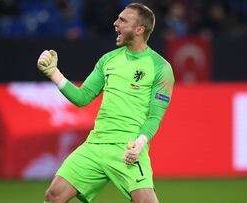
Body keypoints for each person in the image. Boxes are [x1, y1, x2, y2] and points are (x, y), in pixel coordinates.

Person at [37, 3, 174, 203]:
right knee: (53, 195)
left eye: (123, 20)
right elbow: (82, 97)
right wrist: (53, 73)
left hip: (128, 147)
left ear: (139, 29)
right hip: (96, 144)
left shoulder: (161, 67)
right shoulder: (107, 60)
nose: (115, 23)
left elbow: (155, 116)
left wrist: (140, 143)